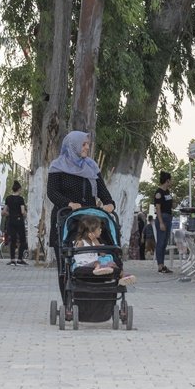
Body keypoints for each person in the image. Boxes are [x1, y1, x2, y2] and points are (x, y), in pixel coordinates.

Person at [46, 131, 115, 306]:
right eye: (84, 144)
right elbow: (52, 192)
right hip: (65, 221)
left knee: (95, 257)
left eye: (87, 144)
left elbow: (102, 191)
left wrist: (109, 204)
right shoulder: (58, 166)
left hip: (89, 222)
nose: (87, 147)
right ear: (73, 145)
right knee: (66, 265)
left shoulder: (91, 167)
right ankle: (69, 304)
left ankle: (94, 301)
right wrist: (68, 203)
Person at [153, 171, 175, 274]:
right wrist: (161, 222)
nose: (171, 181)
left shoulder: (168, 192)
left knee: (165, 242)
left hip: (169, 217)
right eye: (170, 180)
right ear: (167, 180)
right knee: (160, 242)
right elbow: (158, 208)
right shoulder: (159, 192)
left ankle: (162, 264)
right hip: (162, 218)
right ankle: (160, 265)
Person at [4, 181, 28, 266]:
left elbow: (4, 211)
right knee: (22, 240)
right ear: (19, 189)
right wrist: (25, 213)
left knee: (12, 240)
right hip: (19, 221)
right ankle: (20, 259)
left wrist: (10, 215)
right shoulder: (20, 199)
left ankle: (12, 259)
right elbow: (22, 211)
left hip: (11, 221)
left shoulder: (8, 198)